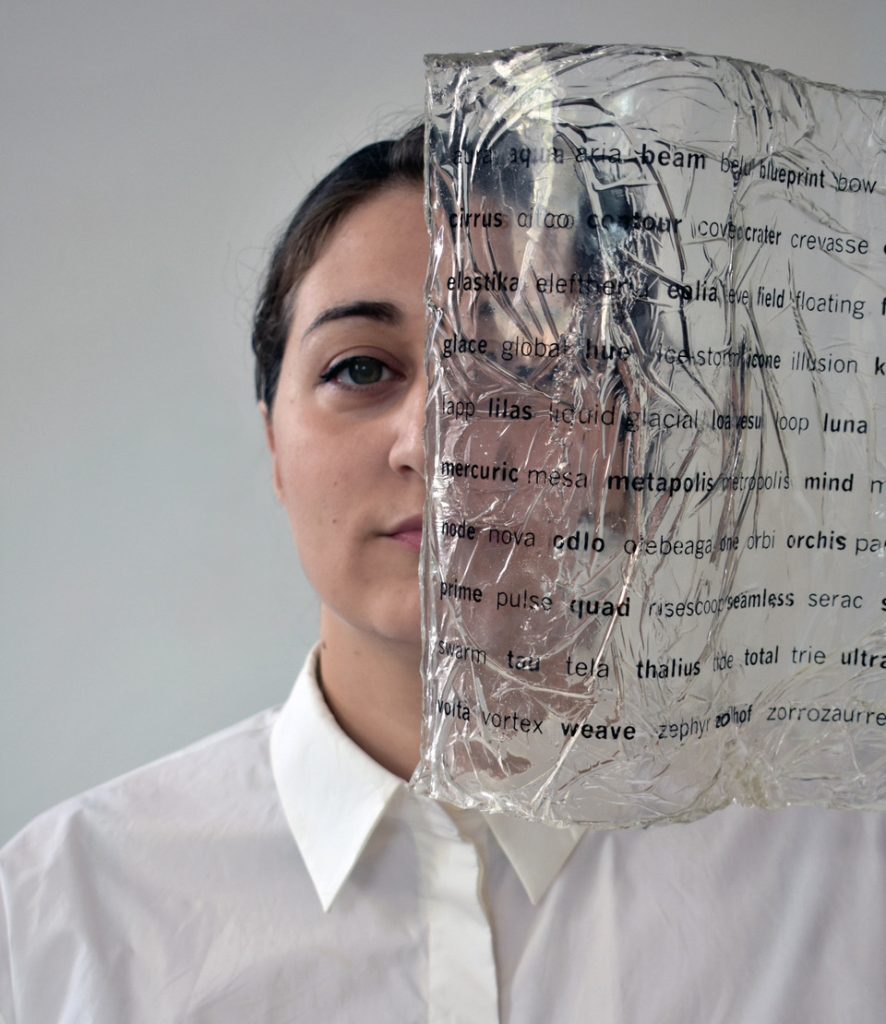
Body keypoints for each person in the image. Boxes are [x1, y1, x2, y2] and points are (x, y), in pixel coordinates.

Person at [1, 122, 885, 1024]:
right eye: (360, 370)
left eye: (516, 369)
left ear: (622, 440)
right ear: (274, 442)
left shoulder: (841, 883)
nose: (438, 448)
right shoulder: (64, 911)